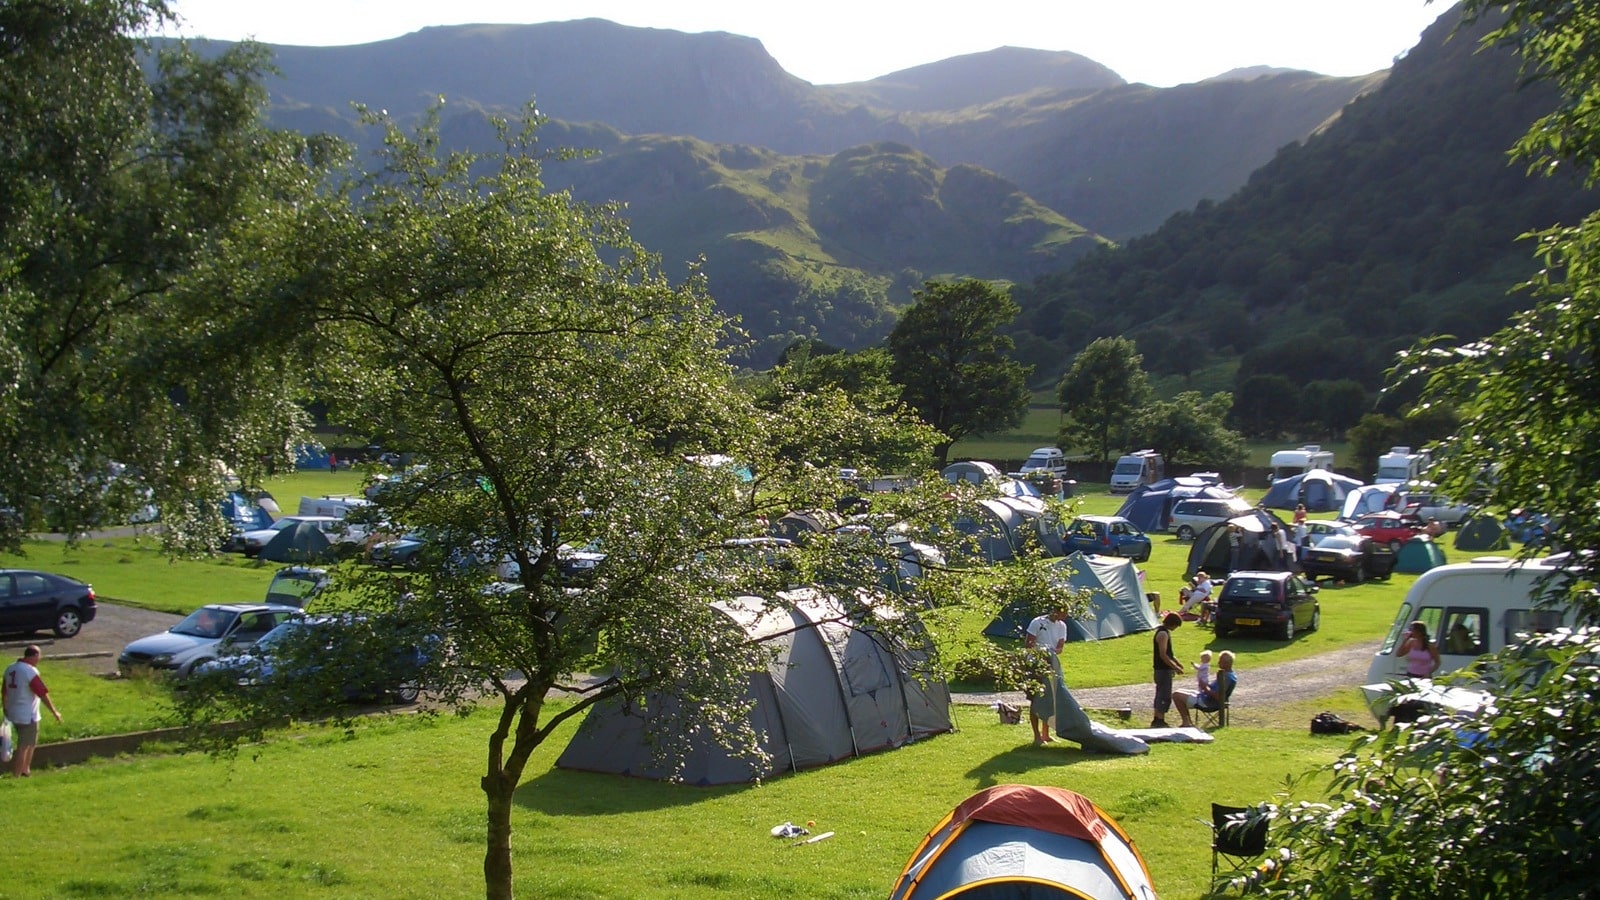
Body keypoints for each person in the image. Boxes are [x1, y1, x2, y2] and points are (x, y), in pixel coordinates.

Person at [3, 645, 62, 778]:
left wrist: (6, 708)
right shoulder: (30, 671)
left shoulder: (10, 669)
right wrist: (54, 711)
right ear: (34, 656)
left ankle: (26, 769)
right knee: (24, 745)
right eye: (39, 656)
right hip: (28, 714)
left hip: (13, 712)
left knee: (30, 742)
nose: (39, 659)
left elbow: (4, 692)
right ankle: (17, 774)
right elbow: (42, 693)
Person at [1025, 608, 1070, 744]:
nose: (1066, 616)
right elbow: (1028, 644)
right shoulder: (1038, 622)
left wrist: (1053, 652)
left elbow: (1060, 646)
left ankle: (1046, 734)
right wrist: (1041, 654)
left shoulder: (1062, 626)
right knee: (1035, 699)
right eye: (1064, 612)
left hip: (1051, 664)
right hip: (1035, 665)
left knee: (1050, 699)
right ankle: (1036, 736)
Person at [1174, 650, 1237, 728]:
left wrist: (1205, 687)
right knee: (1179, 691)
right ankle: (1187, 722)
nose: (1218, 663)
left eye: (1220, 661)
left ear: (1226, 663)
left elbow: (1218, 696)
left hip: (1208, 702)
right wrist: (1206, 686)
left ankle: (1186, 722)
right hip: (1206, 697)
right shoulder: (1230, 674)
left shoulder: (1226, 677)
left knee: (1176, 695)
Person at [1151, 612, 1185, 728]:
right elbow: (1163, 655)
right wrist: (1175, 667)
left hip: (1164, 669)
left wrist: (1177, 662)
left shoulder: (1164, 633)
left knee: (1162, 693)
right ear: (1172, 623)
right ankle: (1159, 719)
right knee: (1164, 694)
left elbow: (1170, 653)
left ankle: (1158, 717)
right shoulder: (1163, 634)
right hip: (1162, 669)